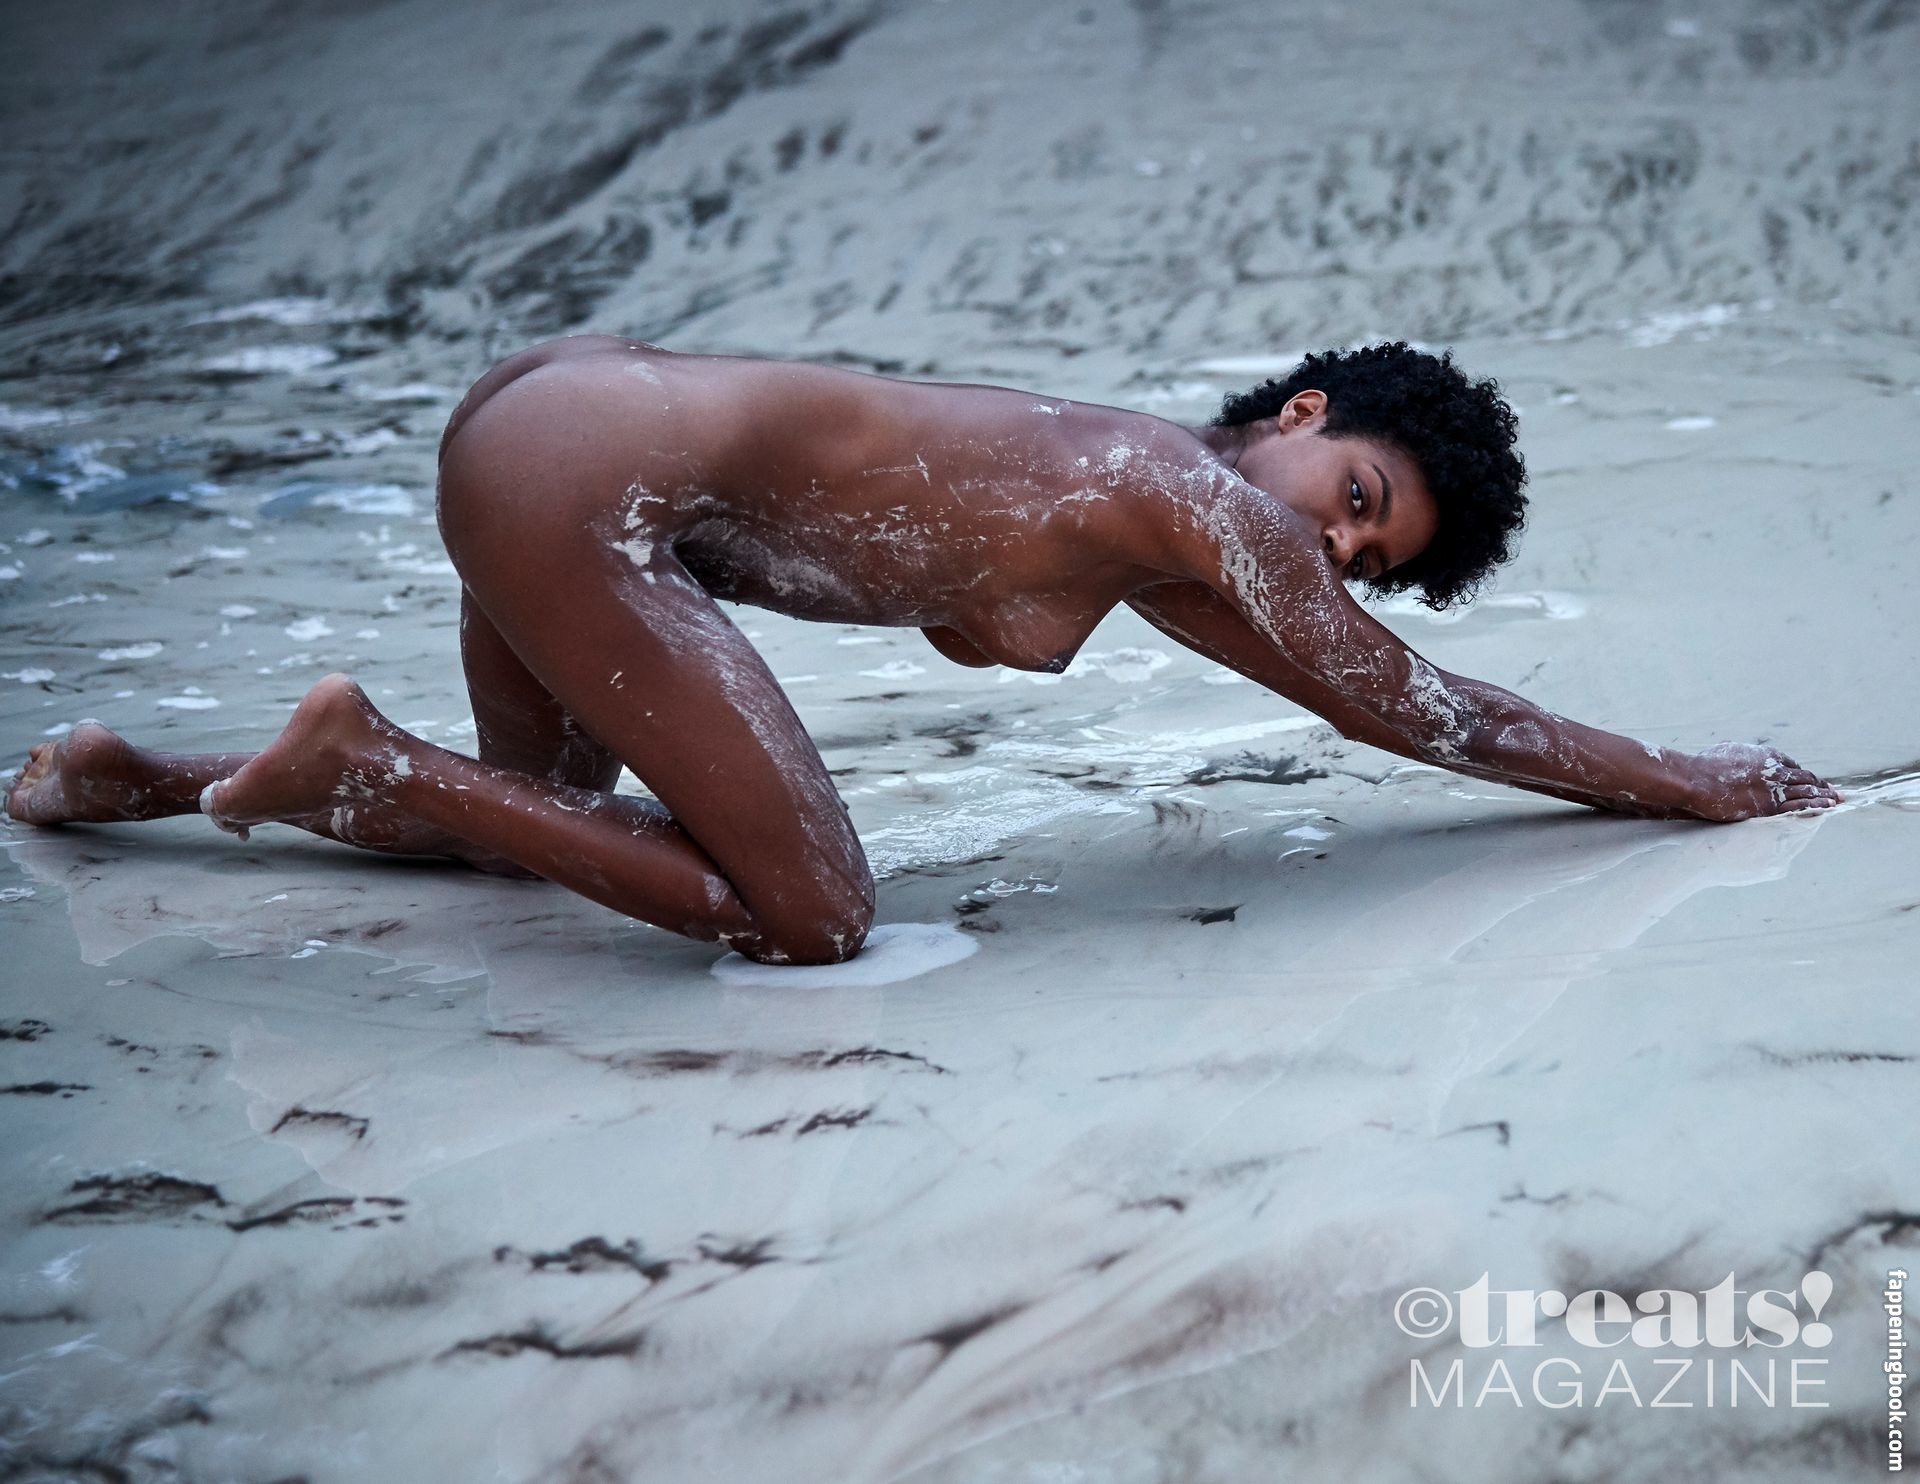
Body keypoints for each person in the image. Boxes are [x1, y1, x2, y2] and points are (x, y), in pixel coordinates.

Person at [5, 336, 1840, 964]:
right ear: (1298, 414)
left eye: (1372, 555)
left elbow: (1374, 700)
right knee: (812, 918)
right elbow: (1429, 709)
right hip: (590, 471)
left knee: (540, 814)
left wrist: (1643, 787)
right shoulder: (1175, 493)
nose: (1341, 551)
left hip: (553, 426)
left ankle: (147, 780)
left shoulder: (1163, 532)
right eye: (1357, 496)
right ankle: (362, 756)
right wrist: (1695, 781)